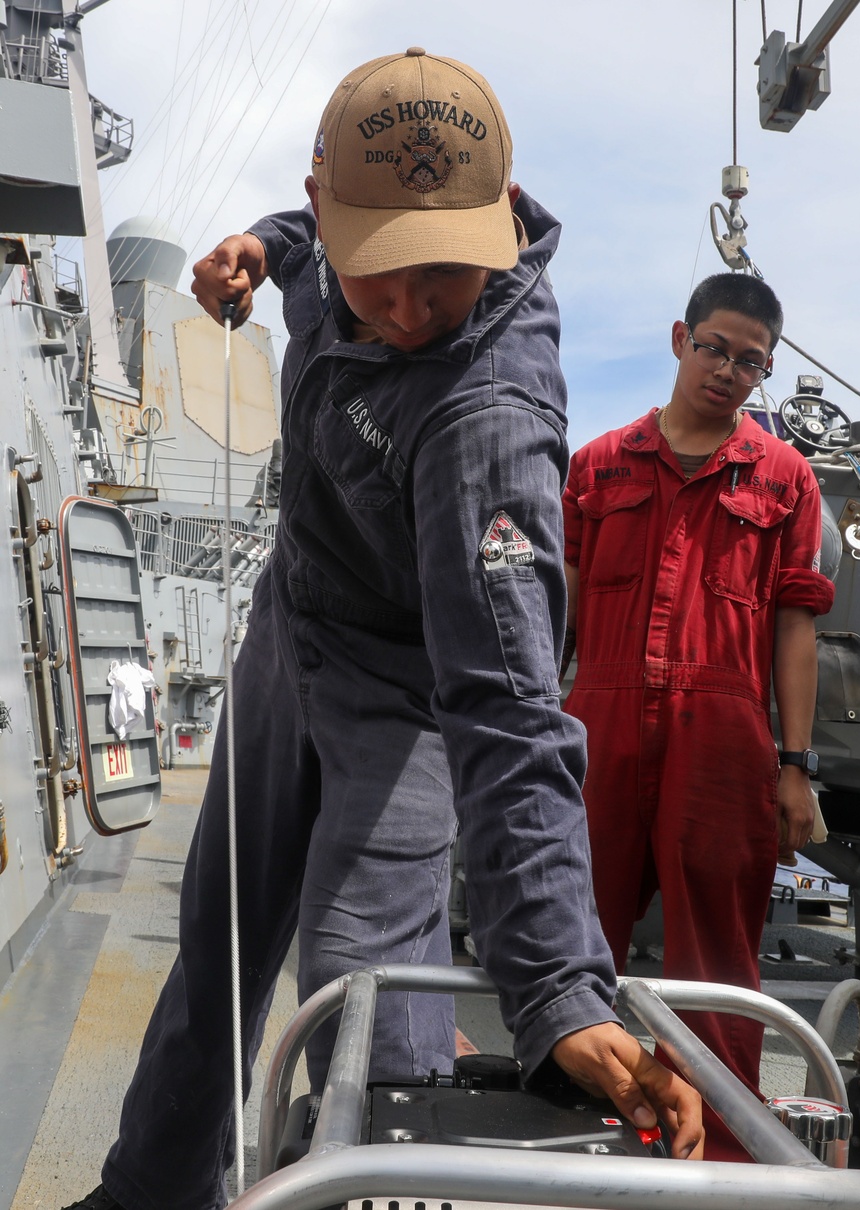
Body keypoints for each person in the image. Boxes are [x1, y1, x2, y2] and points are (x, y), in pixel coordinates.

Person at [65, 49, 702, 1210]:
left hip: (405, 699)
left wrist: (557, 980)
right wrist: (262, 246)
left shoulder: (486, 414)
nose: (408, 312)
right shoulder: (322, 248)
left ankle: (381, 1192)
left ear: (502, 220)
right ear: (326, 211)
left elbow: (509, 705)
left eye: (442, 274)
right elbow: (308, 252)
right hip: (286, 638)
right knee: (216, 947)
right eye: (378, 276)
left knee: (365, 984)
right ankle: (148, 1193)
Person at [561, 273, 835, 1163]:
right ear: (680, 339)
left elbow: (795, 625)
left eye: (749, 361)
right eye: (714, 347)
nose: (726, 371)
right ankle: (576, 1128)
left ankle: (715, 1152)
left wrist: (795, 764)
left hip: (721, 732)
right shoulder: (597, 465)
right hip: (596, 715)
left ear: (766, 372)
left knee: (717, 957)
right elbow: (553, 608)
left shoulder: (786, 478)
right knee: (575, 936)